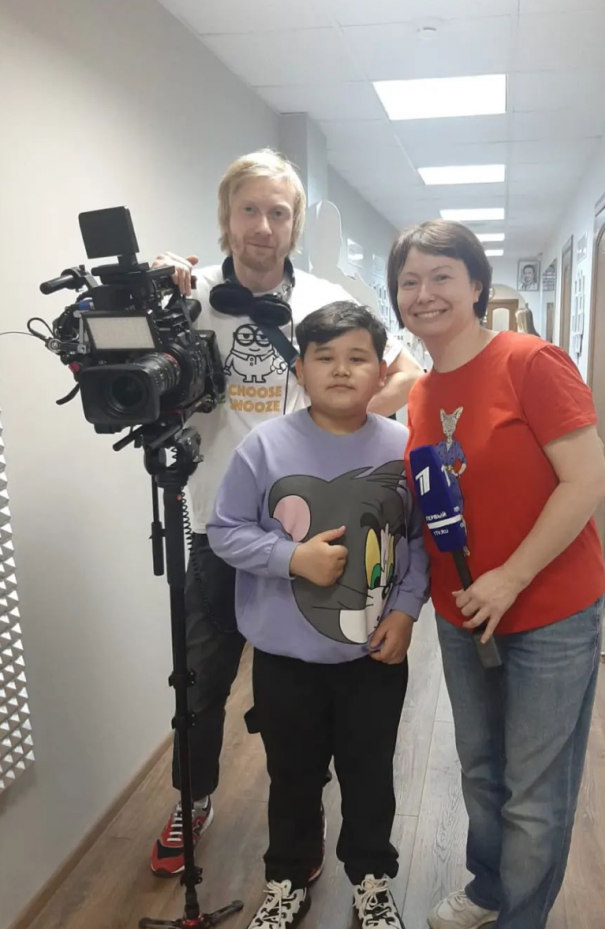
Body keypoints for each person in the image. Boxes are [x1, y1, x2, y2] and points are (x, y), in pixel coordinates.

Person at [149, 149, 422, 876]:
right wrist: (153, 282)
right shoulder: (187, 297)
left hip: (322, 527)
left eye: (278, 213)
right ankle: (193, 798)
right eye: (249, 210)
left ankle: (331, 836)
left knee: (313, 682)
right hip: (221, 525)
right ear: (225, 215)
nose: (263, 227)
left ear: (294, 223)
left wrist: (354, 423)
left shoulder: (321, 299)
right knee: (201, 680)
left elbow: (406, 370)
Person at [387, 220, 605, 929]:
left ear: (477, 285)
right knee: (481, 771)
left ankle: (522, 917)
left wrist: (511, 577)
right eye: (410, 281)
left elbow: (586, 480)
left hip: (549, 611)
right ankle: (489, 888)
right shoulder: (421, 393)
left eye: (441, 276)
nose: (425, 293)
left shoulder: (531, 362)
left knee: (534, 791)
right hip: (463, 614)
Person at [207, 302, 429, 929]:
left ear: (382, 371)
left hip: (373, 656)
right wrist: (290, 558)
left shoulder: (404, 446)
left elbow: (417, 543)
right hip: (286, 659)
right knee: (292, 775)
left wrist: (406, 611)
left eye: (357, 358)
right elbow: (225, 531)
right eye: (324, 357)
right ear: (299, 370)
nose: (340, 370)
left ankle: (371, 878)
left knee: (370, 774)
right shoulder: (263, 447)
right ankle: (287, 877)